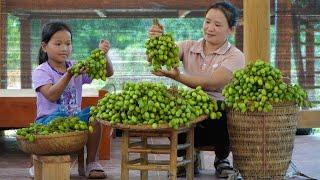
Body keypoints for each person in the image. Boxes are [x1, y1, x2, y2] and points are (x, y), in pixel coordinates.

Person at [148, 2, 244, 178]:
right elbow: (158, 58)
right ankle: (187, 156)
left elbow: (212, 83)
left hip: (220, 117)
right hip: (192, 110)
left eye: (217, 25)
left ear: (230, 30)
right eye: (207, 22)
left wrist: (177, 77)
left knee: (219, 109)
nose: (210, 28)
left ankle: (221, 158)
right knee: (172, 110)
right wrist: (157, 41)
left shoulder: (235, 56)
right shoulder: (188, 46)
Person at [30, 21, 114, 179]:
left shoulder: (76, 66)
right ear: (44, 46)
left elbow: (108, 73)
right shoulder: (41, 71)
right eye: (58, 43)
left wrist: (104, 55)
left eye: (68, 44)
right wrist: (68, 75)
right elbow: (52, 95)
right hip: (48, 121)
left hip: (73, 119)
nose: (64, 48)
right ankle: (43, 161)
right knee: (56, 119)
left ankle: (91, 163)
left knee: (94, 115)